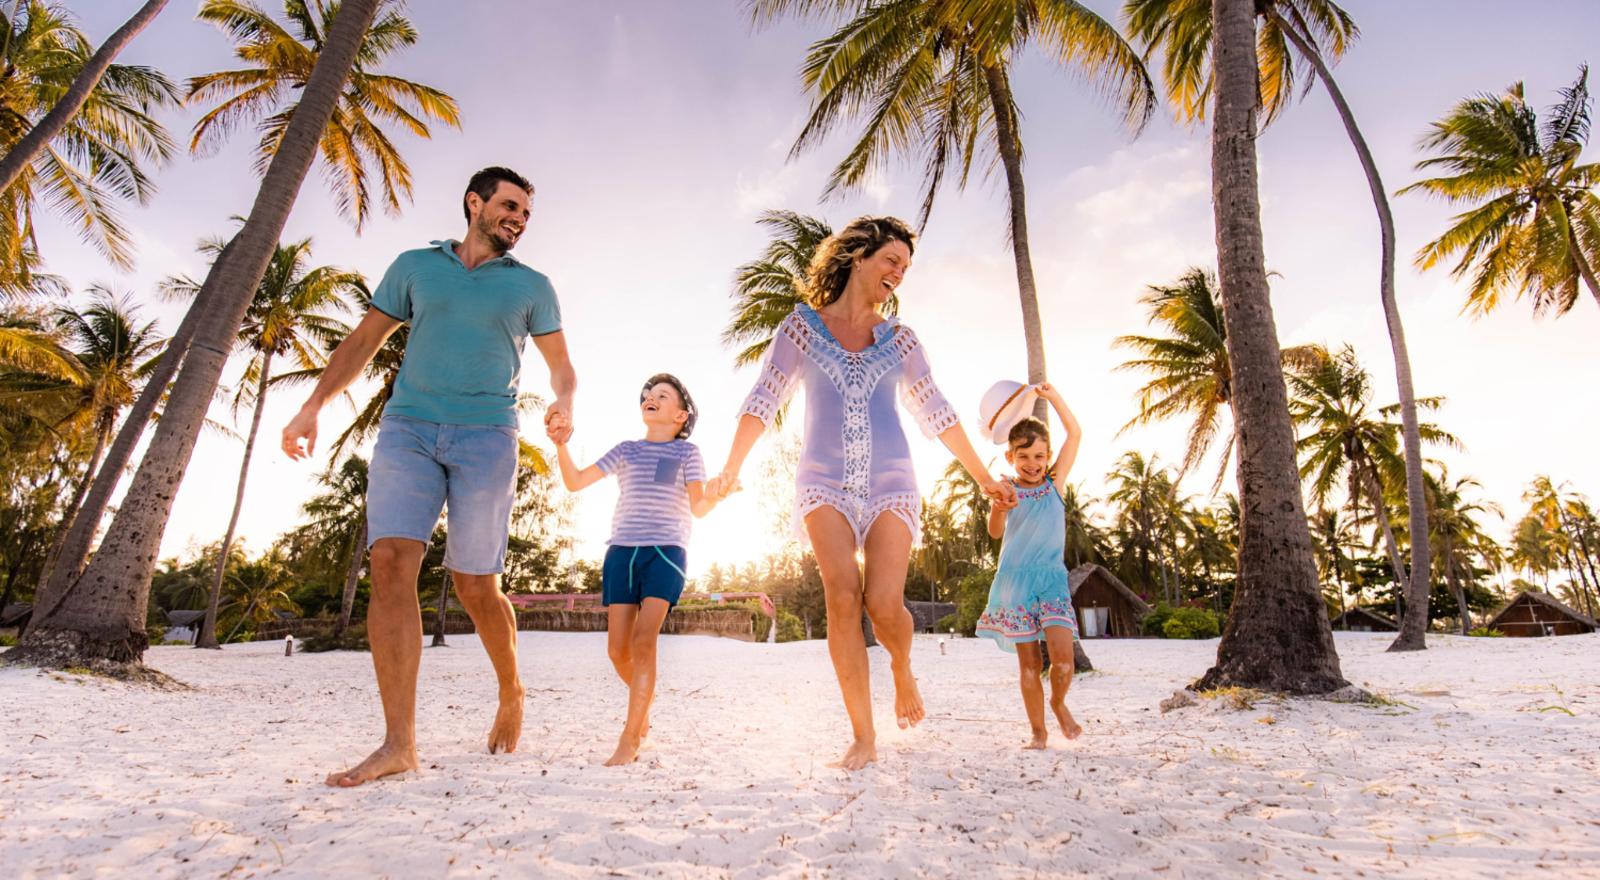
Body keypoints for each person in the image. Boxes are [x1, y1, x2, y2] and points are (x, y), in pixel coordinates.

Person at [281, 166, 577, 787]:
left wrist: (564, 403)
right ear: (475, 203)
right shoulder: (416, 266)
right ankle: (398, 743)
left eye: (526, 212)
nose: (519, 219)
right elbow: (362, 341)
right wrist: (313, 405)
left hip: (487, 438)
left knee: (475, 587)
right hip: (408, 428)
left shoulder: (532, 286)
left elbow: (562, 368)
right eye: (510, 206)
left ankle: (511, 687)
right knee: (389, 562)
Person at [712, 216, 1014, 771]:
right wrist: (731, 468)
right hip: (822, 483)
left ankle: (902, 666)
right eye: (891, 261)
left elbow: (938, 411)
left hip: (892, 484)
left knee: (882, 604)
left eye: (905, 267)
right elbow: (763, 398)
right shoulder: (801, 328)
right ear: (858, 257)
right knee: (843, 599)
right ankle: (863, 736)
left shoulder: (901, 340)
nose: (898, 273)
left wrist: (983, 476)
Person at [550, 373, 729, 766]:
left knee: (644, 642)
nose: (651, 397)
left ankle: (630, 738)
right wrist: (561, 446)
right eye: (648, 394)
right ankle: (643, 705)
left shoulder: (687, 453)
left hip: (665, 552)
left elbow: (698, 507)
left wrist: (714, 495)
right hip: (621, 552)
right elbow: (576, 481)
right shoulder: (627, 449)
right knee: (617, 651)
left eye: (662, 395)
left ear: (681, 415)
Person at [976, 381, 1085, 749]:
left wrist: (1052, 397)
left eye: (1039, 456)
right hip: (1015, 584)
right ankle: (1038, 732)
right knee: (1028, 667)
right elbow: (994, 533)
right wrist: (998, 506)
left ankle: (1058, 702)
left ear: (1048, 455)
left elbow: (1076, 432)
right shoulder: (1006, 488)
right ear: (1010, 457)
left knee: (1063, 658)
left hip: (1052, 580)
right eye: (1024, 457)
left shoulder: (1056, 483)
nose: (1033, 464)